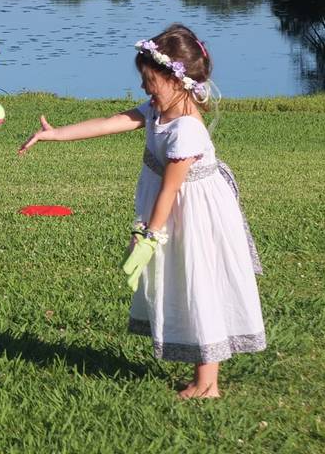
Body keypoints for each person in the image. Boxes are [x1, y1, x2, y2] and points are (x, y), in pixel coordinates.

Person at [18, 24, 264, 399]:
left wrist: (149, 235)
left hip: (194, 214)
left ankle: (207, 383)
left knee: (201, 284)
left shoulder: (187, 131)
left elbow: (169, 190)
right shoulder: (158, 110)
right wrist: (56, 134)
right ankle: (202, 375)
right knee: (184, 282)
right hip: (177, 210)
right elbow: (113, 122)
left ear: (175, 80)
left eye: (149, 80)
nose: (144, 87)